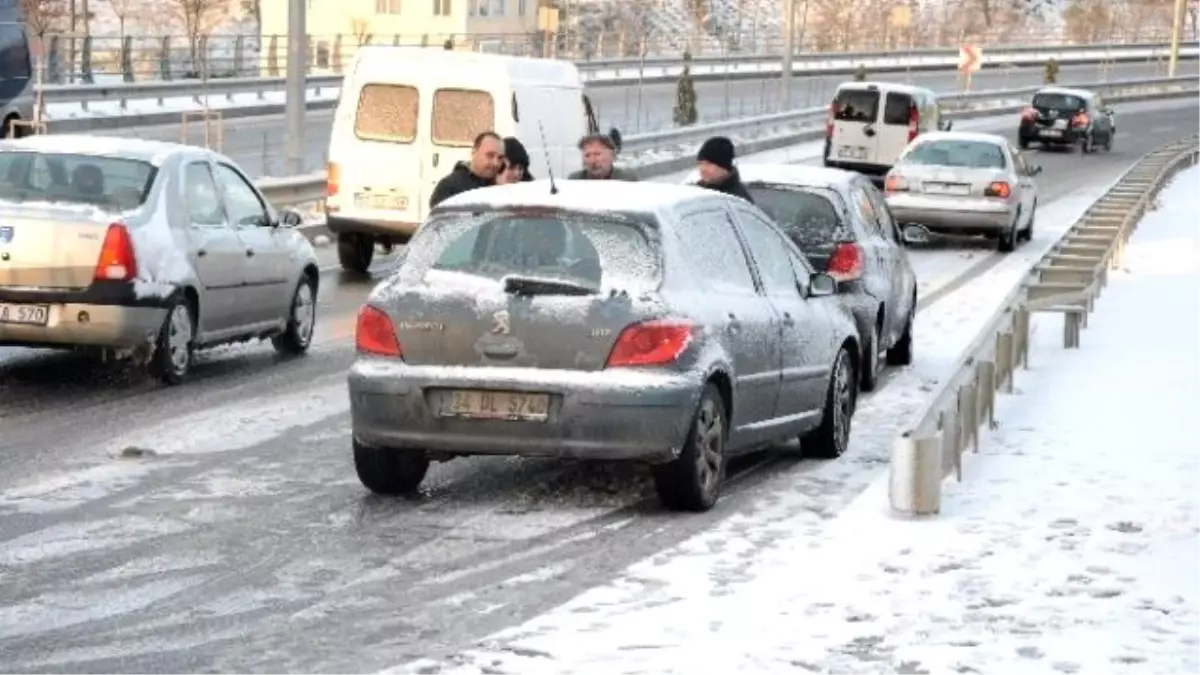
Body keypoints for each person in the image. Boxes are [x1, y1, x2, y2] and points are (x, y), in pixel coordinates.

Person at [429, 131, 504, 208]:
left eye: (500, 158)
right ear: (474, 152)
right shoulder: (450, 186)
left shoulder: (499, 187)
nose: (496, 163)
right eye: (490, 155)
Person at [694, 136, 754, 203]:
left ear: (724, 166)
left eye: (708, 164)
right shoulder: (696, 192)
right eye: (700, 163)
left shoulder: (737, 202)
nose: (702, 169)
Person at [568, 133, 638, 181]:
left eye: (597, 154)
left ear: (612, 156)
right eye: (587, 155)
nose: (592, 160)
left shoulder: (625, 179)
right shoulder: (575, 180)